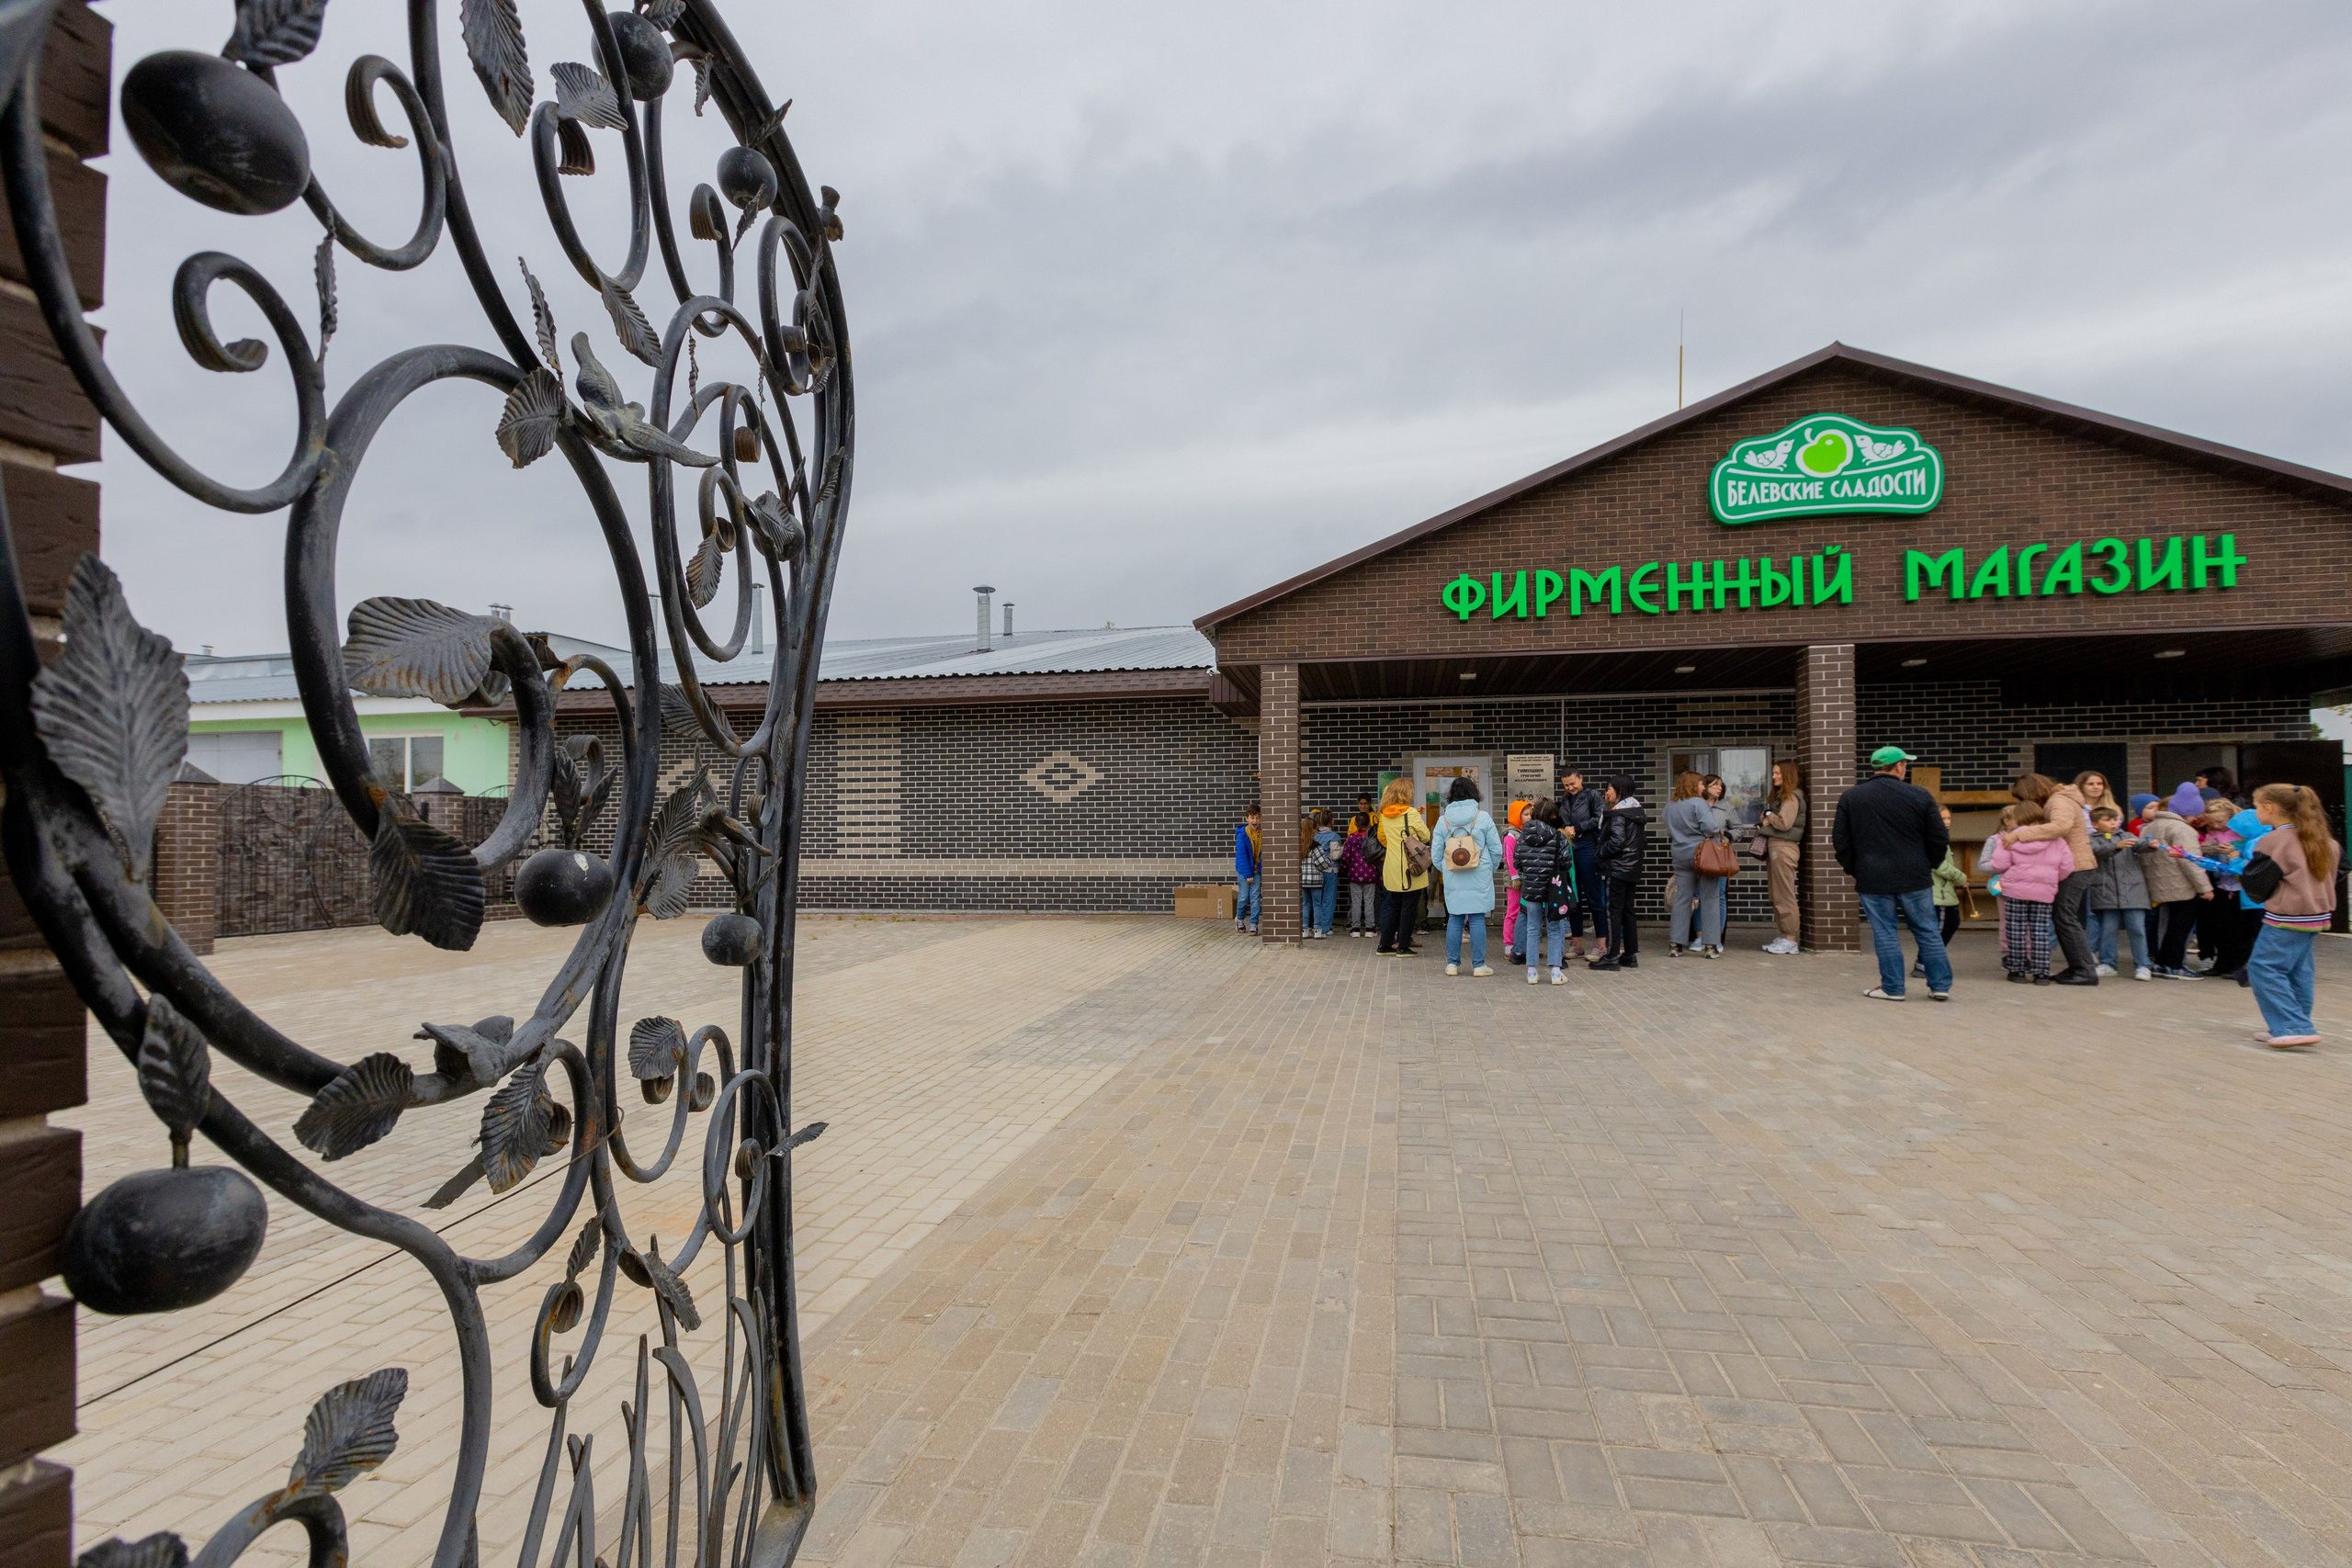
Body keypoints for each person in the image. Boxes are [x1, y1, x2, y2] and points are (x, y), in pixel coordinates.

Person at [1831, 745, 1953, 1001]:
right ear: (1898, 766)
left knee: (1884, 932)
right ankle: (1940, 985)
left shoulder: (1851, 797)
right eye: (1905, 764)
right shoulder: (1920, 795)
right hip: (1915, 875)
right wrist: (1929, 863)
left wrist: (1856, 868)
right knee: (1927, 930)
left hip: (1872, 876)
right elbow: (1939, 836)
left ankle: (1893, 988)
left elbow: (1841, 841)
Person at [2239, 783, 2339, 1047]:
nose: (2255, 810)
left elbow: (2257, 882)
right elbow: (2340, 871)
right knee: (2298, 970)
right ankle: (2293, 1023)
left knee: (2264, 968)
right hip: (2317, 915)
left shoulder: (2274, 840)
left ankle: (2292, 1026)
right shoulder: (2326, 840)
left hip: (2286, 917)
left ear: (2270, 809)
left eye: (2257, 806)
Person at [2005, 771, 2098, 985]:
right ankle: (2079, 967)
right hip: (2074, 865)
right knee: (2062, 917)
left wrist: (2019, 834)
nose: (2023, 802)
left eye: (2022, 797)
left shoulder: (2059, 801)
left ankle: (2085, 970)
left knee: (2065, 917)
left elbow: (2060, 827)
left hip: (2077, 866)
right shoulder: (2059, 799)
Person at [1981, 802, 2070, 983]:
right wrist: (2050, 878)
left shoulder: (2012, 838)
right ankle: (2041, 973)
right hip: (2044, 892)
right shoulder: (2056, 840)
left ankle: (2017, 971)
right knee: (2040, 931)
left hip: (2015, 891)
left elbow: (1999, 864)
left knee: (2015, 930)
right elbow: (2067, 866)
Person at [2138, 783, 2213, 976]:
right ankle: (2174, 965)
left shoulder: (2150, 826)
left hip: (2159, 883)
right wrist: (2204, 887)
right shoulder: (2183, 829)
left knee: (2169, 926)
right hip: (2181, 885)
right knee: (2180, 928)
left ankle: (2162, 962)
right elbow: (2190, 860)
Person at [1434, 778, 1505, 976]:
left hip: (1453, 876)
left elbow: (1435, 854)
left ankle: (1452, 964)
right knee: (1477, 918)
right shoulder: (1482, 817)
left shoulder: (1443, 820)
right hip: (1479, 874)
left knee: (1455, 918)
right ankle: (1479, 965)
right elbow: (1496, 849)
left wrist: (1447, 869)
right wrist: (1487, 868)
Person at [2085, 805, 2154, 980]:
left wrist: (2150, 844)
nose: (2113, 823)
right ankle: (2108, 963)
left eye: (2114, 819)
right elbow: (2096, 852)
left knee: (2137, 928)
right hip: (2105, 891)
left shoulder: (2128, 836)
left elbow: (2140, 846)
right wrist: (2116, 846)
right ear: (2095, 824)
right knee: (2108, 930)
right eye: (2107, 820)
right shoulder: (2091, 840)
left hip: (2133, 890)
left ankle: (2143, 965)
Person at [1665, 772, 1729, 958]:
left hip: (1680, 854)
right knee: (1710, 897)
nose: (1703, 787)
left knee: (1682, 898)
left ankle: (1675, 945)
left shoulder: (1671, 804)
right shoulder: (1699, 803)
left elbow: (1669, 829)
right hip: (1703, 855)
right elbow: (1710, 828)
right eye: (1701, 784)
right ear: (1694, 785)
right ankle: (1711, 945)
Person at [1588, 776, 1647, 971]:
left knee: (1612, 911)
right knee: (1628, 911)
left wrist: (1600, 852)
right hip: (1632, 868)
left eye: (1609, 789)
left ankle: (1612, 956)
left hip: (1617, 868)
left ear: (1619, 791)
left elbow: (1617, 841)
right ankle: (1630, 955)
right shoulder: (1636, 811)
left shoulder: (1619, 814)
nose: (1606, 793)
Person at [1514, 800, 1573, 984]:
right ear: (1552, 817)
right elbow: (1566, 863)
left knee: (1532, 928)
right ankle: (1555, 972)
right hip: (1553, 888)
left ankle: (1532, 972)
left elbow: (1517, 863)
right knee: (1555, 928)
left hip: (1531, 887)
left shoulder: (1523, 837)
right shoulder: (1558, 837)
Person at [1374, 778, 1430, 956]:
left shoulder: (1384, 814)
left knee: (1393, 906)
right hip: (1410, 866)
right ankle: (1403, 946)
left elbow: (1384, 837)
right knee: (1409, 907)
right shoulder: (1411, 813)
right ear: (1405, 793)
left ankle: (1384, 945)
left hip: (1391, 865)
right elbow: (1425, 835)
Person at [1756, 760, 1806, 953]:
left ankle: (1791, 939)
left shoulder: (1792, 798)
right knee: (1777, 893)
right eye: (1773, 773)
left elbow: (1784, 824)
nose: (1774, 776)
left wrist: (1768, 814)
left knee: (1784, 893)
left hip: (1784, 848)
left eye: (1778, 773)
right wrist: (1767, 818)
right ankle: (1785, 936)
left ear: (1788, 775)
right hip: (1779, 847)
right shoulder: (1784, 797)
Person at [1557, 769, 1609, 959]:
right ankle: (1576, 943)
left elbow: (1601, 818)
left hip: (1588, 847)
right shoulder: (1565, 799)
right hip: (1570, 849)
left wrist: (1577, 827)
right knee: (1574, 897)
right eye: (1566, 785)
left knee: (1595, 897)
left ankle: (1601, 944)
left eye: (1573, 783)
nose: (1570, 788)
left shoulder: (1592, 795)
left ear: (1581, 779)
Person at [1927, 805, 1967, 965]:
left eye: (1949, 818)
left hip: (1944, 890)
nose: (1947, 821)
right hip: (1937, 891)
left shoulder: (1942, 837)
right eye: (1943, 818)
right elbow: (1939, 865)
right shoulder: (1932, 838)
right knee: (1940, 928)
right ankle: (1926, 962)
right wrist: (1961, 877)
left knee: (1951, 922)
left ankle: (1931, 959)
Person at [1339, 811, 1381, 936]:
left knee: (1356, 902)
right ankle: (1370, 928)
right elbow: (1377, 855)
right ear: (1368, 823)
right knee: (1369, 902)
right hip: (1370, 874)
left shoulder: (1351, 838)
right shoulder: (1372, 838)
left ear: (1355, 823)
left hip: (1355, 873)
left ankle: (1355, 928)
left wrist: (1345, 868)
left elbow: (1346, 856)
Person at [1302, 808, 1341, 940]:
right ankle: (1324, 927)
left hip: (1314, 873)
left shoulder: (1314, 837)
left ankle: (1308, 927)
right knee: (1328, 900)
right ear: (1331, 821)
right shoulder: (1334, 836)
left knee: (1311, 902)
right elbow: (1335, 855)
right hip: (1329, 870)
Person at [1500, 801, 1527, 963]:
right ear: (1517, 816)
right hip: (1515, 880)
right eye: (1526, 814)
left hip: (1524, 878)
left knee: (1524, 913)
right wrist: (1514, 877)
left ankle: (1522, 945)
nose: (1529, 817)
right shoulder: (1511, 835)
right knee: (1513, 912)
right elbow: (1508, 858)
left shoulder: (1524, 832)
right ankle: (1509, 945)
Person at [1233, 804, 1261, 935]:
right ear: (1247, 819)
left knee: (1255, 898)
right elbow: (1242, 856)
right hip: (1245, 872)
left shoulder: (1261, 834)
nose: (1254, 821)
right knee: (1244, 897)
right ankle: (1239, 919)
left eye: (1257, 818)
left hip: (1257, 871)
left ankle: (1254, 923)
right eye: (1252, 818)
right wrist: (1248, 874)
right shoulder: (1242, 835)